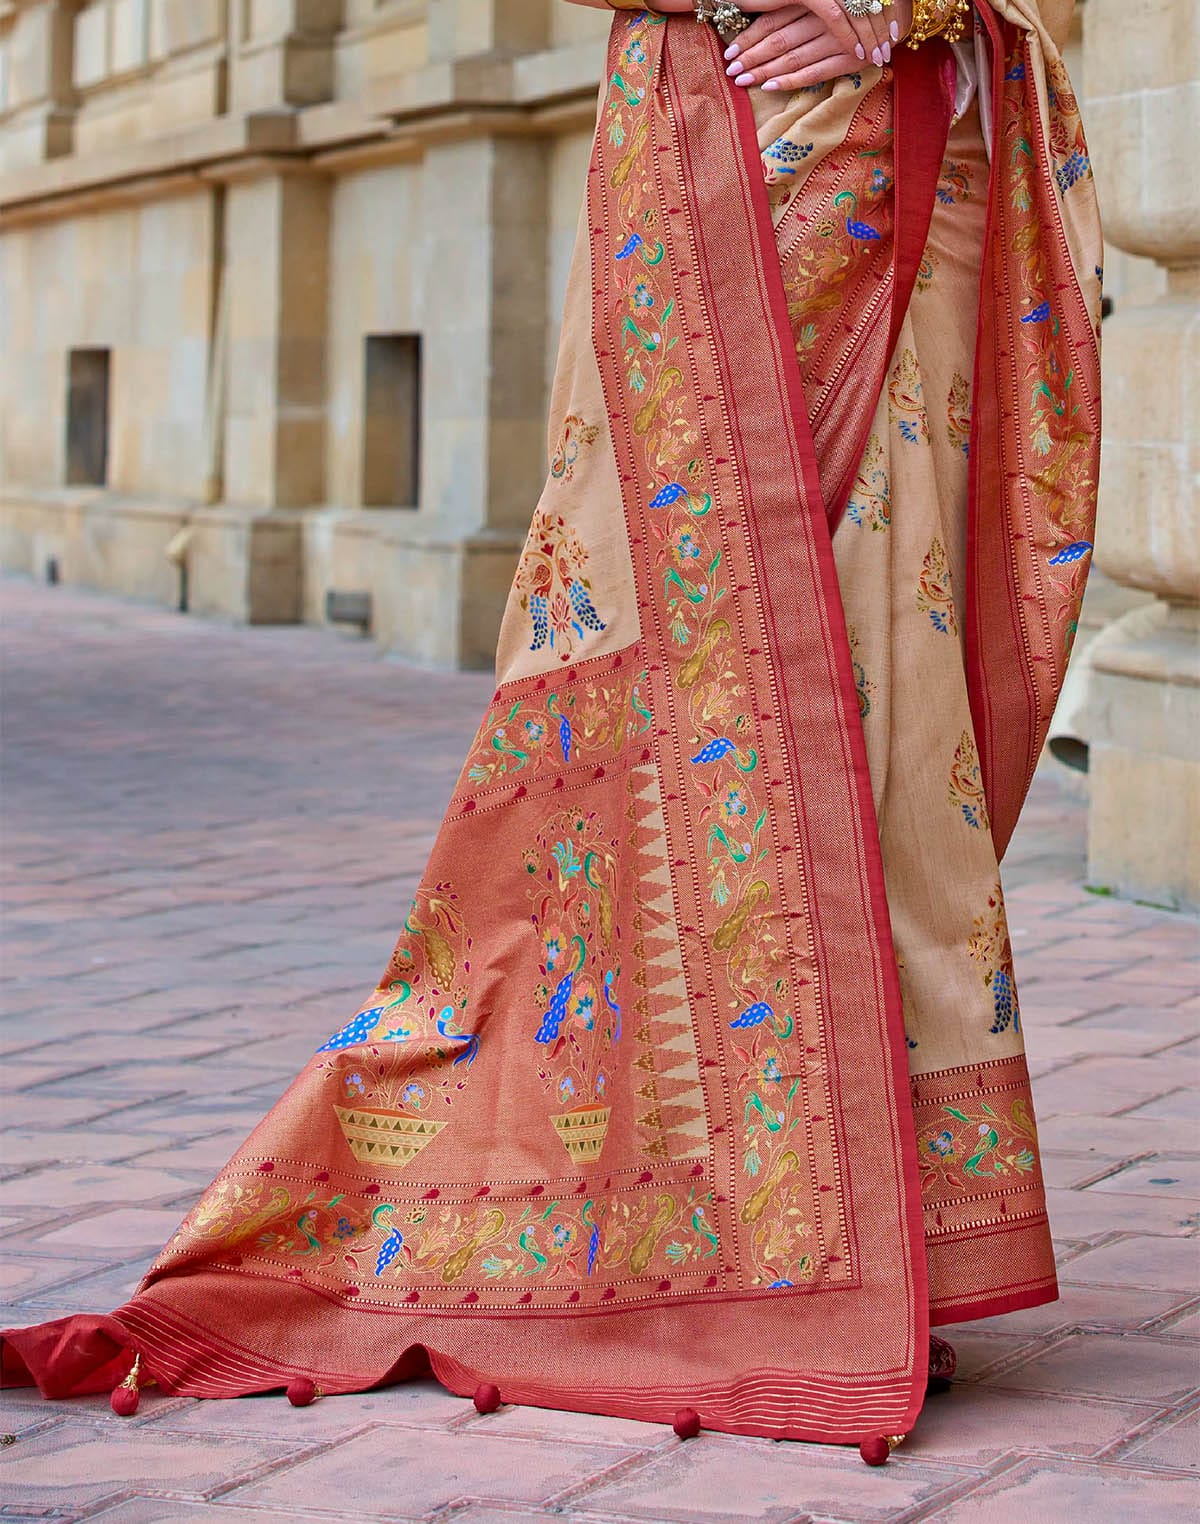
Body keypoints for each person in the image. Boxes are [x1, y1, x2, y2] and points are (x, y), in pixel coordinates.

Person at [1, 0, 1101, 1464]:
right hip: (738, 174)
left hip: (928, 152)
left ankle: (869, 1227)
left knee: (898, 727)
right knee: (694, 719)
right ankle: (716, 1233)